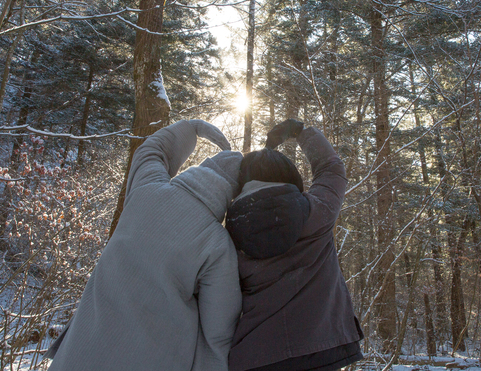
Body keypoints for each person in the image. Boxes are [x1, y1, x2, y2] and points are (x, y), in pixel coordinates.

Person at [46, 120, 243, 371]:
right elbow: (217, 337)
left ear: (201, 168)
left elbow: (150, 151)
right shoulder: (217, 245)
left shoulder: (146, 189)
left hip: (79, 354)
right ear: (231, 195)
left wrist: (190, 128)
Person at [225, 119, 364, 371]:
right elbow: (331, 169)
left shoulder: (228, 231)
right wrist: (300, 131)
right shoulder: (317, 212)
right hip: (321, 348)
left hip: (255, 355)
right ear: (292, 178)